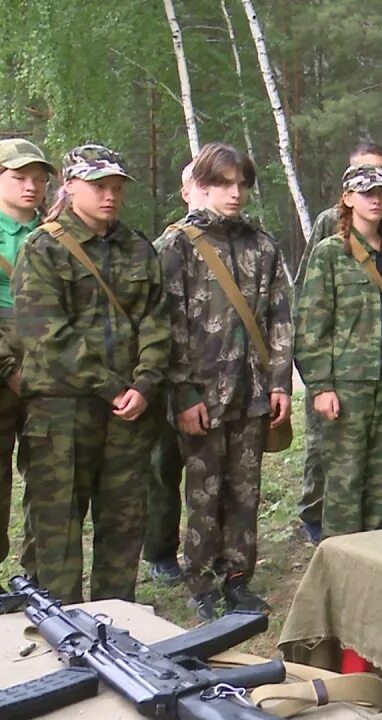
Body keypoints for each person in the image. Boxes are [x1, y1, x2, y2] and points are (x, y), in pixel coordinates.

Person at [13, 144, 170, 603]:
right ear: (70, 187)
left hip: (129, 412)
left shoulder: (138, 247)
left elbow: (157, 321)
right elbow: (47, 334)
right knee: (56, 528)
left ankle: (117, 619)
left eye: (117, 187)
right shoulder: (43, 248)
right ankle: (58, 627)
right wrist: (114, 387)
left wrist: (145, 383)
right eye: (99, 186)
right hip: (62, 411)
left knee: (123, 524)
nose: (110, 196)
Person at [154, 142, 292, 620]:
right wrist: (184, 395)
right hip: (201, 397)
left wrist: (280, 384)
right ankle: (201, 583)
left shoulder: (263, 245)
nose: (234, 193)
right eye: (223, 184)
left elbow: (279, 319)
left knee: (245, 491)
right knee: (203, 493)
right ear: (202, 186)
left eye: (241, 184)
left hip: (252, 392)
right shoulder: (175, 246)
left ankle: (238, 578)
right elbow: (165, 328)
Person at [294, 165, 382, 539]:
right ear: (348, 199)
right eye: (366, 193)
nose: (375, 199)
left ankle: (375, 545)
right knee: (345, 472)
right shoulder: (330, 254)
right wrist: (321, 386)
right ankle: (341, 552)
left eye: (381, 193)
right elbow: (311, 325)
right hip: (347, 377)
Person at [143, 162, 201, 585]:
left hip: (215, 375)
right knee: (164, 466)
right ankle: (161, 549)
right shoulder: (168, 246)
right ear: (185, 193)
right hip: (167, 374)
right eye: (200, 184)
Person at [0, 138, 54, 564]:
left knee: (48, 473)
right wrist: (9, 368)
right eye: (19, 178)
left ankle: (37, 573)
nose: (31, 187)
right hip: (2, 356)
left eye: (39, 179)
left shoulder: (54, 234)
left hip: (47, 357)